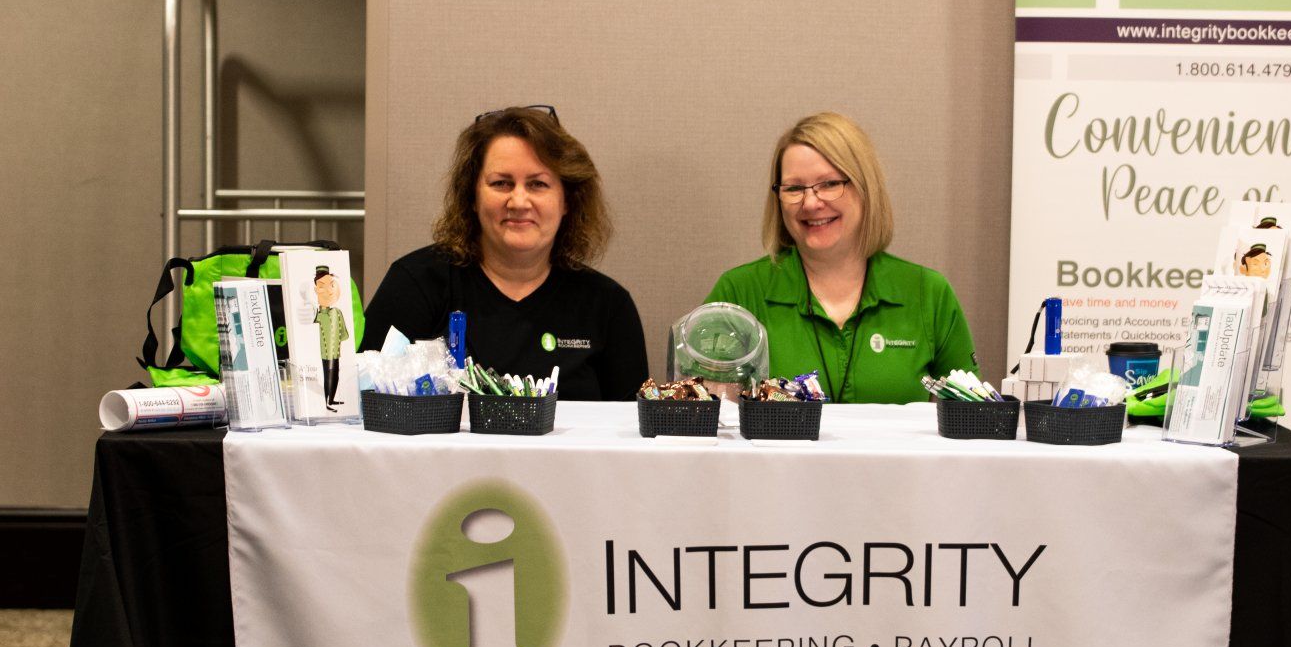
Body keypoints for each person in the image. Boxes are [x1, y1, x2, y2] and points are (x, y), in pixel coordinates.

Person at [361, 106, 648, 401]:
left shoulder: (609, 306)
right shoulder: (415, 285)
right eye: (501, 183)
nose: (519, 201)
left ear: (567, 201)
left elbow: (634, 425)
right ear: (472, 197)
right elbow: (362, 404)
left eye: (538, 184)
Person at [704, 112, 977, 405]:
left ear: (865, 187)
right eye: (794, 188)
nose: (811, 202)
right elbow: (711, 419)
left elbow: (967, 421)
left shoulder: (928, 294)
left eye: (829, 184)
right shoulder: (739, 295)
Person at [310, 265, 351, 411]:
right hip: (324, 353)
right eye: (322, 286)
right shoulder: (316, 314)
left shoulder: (336, 312)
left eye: (331, 285)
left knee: (334, 375)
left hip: (335, 352)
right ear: (316, 289)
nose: (328, 291)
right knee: (328, 375)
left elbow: (344, 334)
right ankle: (327, 401)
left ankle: (331, 400)